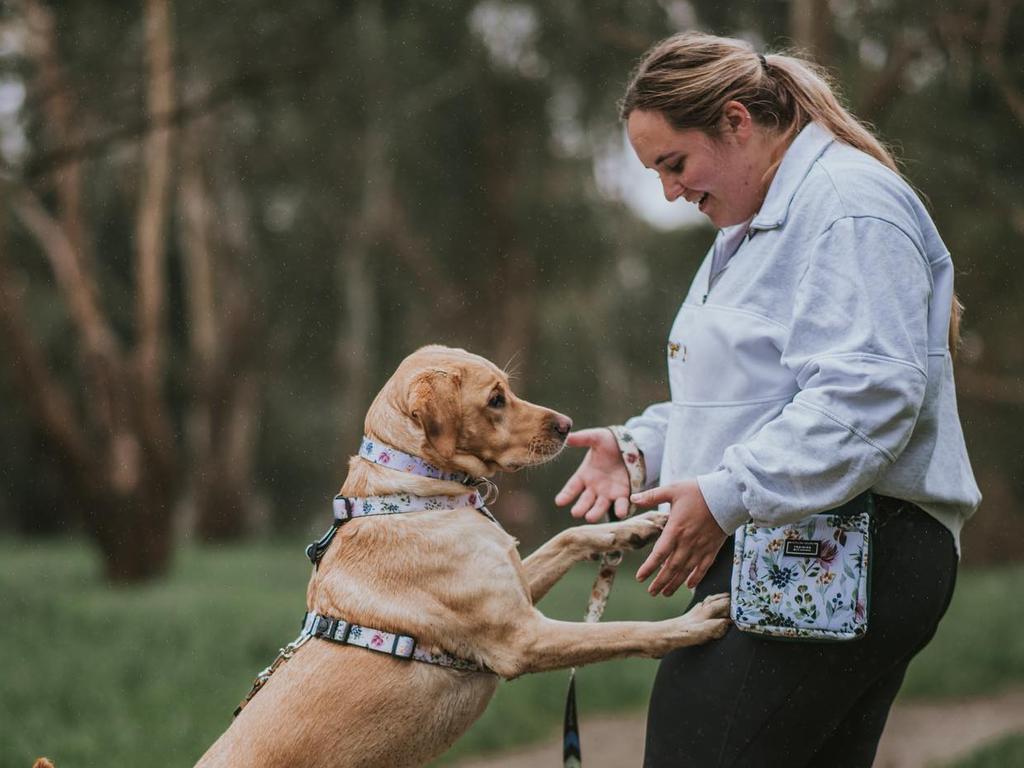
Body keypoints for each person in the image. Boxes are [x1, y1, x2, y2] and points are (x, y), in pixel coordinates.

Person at [555, 32, 981, 767]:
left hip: (850, 542)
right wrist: (641, 448)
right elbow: (751, 398)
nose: (670, 191)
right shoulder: (753, 228)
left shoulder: (846, 204)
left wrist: (726, 494)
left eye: (674, 163)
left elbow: (869, 395)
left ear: (737, 121)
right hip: (800, 540)